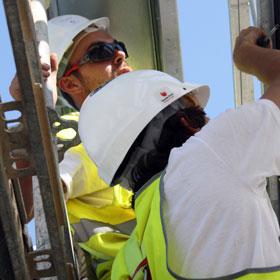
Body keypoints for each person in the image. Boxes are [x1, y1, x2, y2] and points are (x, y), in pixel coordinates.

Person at [79, 26, 280, 279]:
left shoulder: (132, 259)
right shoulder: (207, 152)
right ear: (188, 122)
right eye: (202, 115)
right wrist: (245, 53)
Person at [9, 14, 135, 279]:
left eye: (119, 46)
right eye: (101, 52)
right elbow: (23, 207)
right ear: (69, 83)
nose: (120, 54)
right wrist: (33, 116)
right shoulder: (72, 129)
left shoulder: (164, 122)